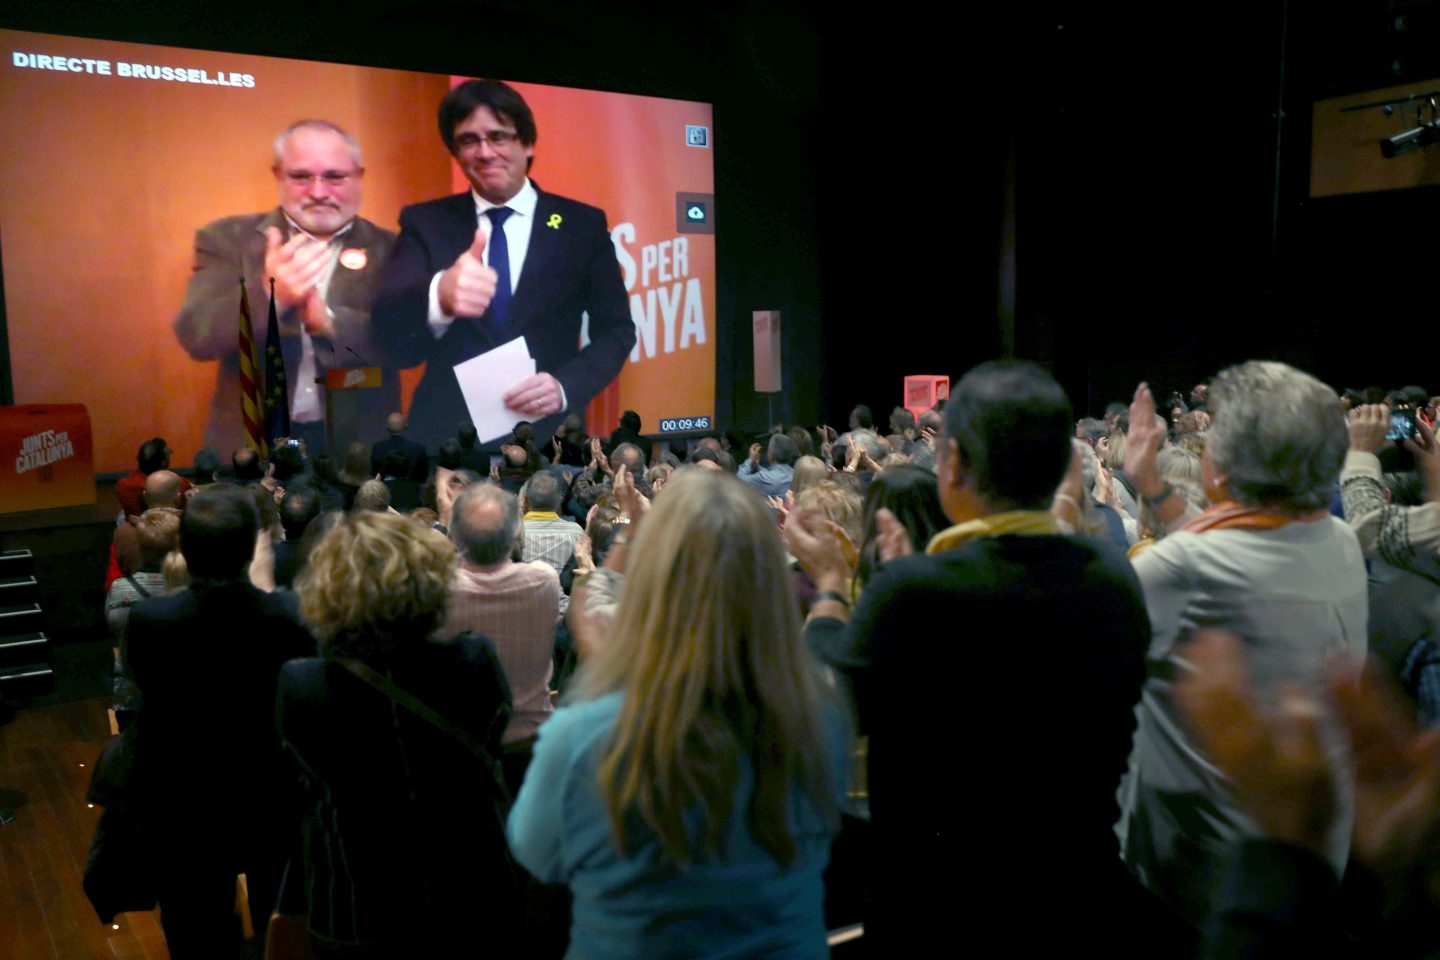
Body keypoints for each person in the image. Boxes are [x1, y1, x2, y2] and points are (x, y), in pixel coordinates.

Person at [785, 359, 1152, 954]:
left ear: (951, 464)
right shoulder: (1114, 576)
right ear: (1065, 466)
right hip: (1082, 904)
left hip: (936, 913)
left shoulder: (913, 592)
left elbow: (821, 714)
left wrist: (831, 585)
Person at [506, 469, 850, 957]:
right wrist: (832, 580)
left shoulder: (588, 731)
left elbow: (535, 851)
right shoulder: (822, 711)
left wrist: (632, 532)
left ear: (657, 583)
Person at [1114, 363, 1368, 936]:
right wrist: (1152, 486)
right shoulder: (1340, 540)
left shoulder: (1173, 570)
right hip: (1310, 857)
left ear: (1221, 470)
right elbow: (1234, 549)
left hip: (1200, 885)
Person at [280, 510, 520, 957]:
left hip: (356, 907)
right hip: (474, 894)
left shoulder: (302, 684)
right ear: (429, 580)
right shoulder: (474, 661)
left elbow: (301, 788)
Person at [373, 79, 636, 450]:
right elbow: (394, 343)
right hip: (445, 440)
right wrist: (439, 298)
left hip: (549, 438)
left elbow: (616, 330)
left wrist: (564, 387)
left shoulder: (582, 226)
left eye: (499, 137)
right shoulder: (424, 224)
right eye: (468, 140)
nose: (484, 152)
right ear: (456, 151)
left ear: (526, 143)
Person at [122, 485, 315, 958]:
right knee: (283, 923)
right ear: (253, 546)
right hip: (272, 792)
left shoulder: (151, 618)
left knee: (197, 930)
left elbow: (140, 681)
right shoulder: (290, 612)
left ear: (183, 549)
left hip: (186, 801)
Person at [173, 119, 398, 455]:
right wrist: (268, 295)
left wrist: (330, 323)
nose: (319, 192)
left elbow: (404, 344)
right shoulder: (226, 239)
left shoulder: (394, 249)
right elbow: (197, 336)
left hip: (357, 444)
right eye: (301, 177)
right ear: (278, 175)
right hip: (252, 444)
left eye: (335, 177)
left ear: (359, 177)